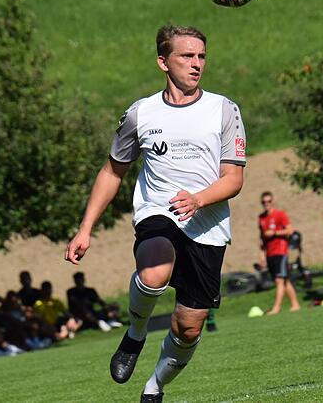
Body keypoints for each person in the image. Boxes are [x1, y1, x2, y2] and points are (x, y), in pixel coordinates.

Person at [64, 25, 246, 402]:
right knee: (154, 268)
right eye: (187, 56)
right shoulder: (140, 113)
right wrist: (85, 228)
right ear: (163, 62)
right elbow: (112, 172)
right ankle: (135, 334)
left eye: (201, 56)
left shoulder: (224, 109)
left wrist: (199, 199)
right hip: (158, 211)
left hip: (207, 226)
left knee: (189, 328)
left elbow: (233, 179)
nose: (197, 64)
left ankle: (155, 385)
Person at [257, 191, 300, 314]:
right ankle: (295, 305)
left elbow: (290, 230)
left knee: (279, 280)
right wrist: (262, 255)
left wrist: (275, 233)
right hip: (269, 253)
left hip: (280, 251)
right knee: (284, 280)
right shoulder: (261, 218)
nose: (266, 204)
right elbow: (261, 238)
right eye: (264, 202)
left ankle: (276, 308)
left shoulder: (280, 214)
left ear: (272, 202)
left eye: (268, 201)